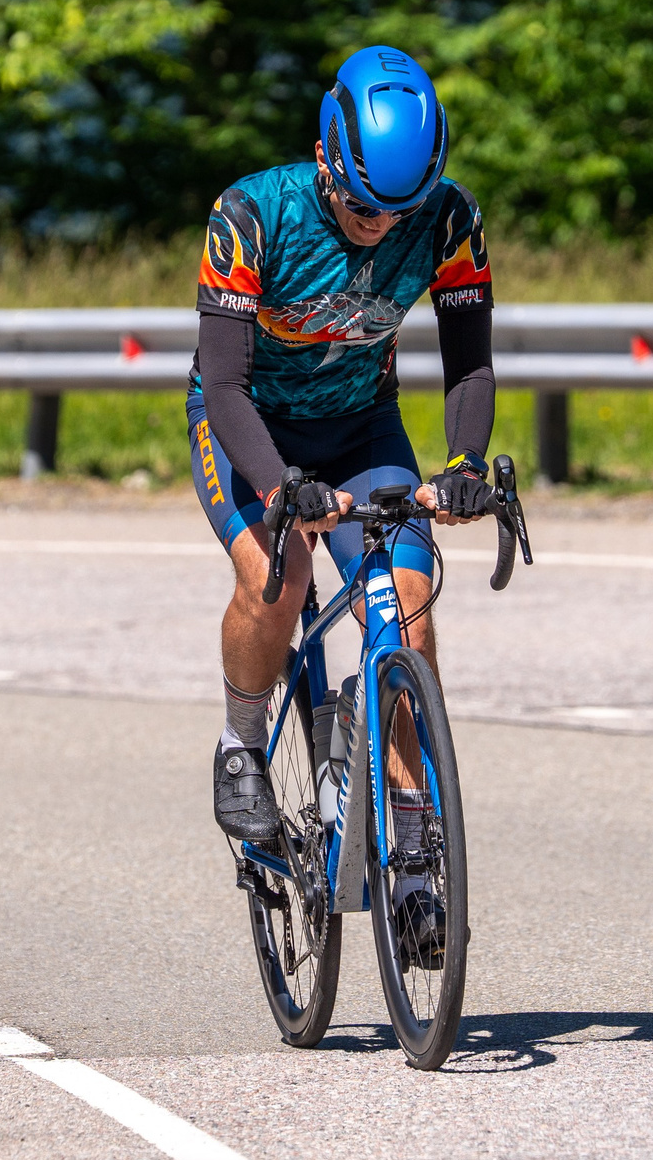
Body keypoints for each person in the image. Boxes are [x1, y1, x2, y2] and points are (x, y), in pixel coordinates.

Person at [186, 44, 497, 846]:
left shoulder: (449, 218)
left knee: (407, 617)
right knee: (278, 580)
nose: (381, 225)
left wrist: (462, 464)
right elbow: (223, 387)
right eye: (363, 208)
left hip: (361, 426)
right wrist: (281, 487)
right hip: (248, 424)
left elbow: (469, 361)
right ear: (327, 152)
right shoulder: (252, 215)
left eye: (399, 211)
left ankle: (416, 833)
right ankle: (241, 745)